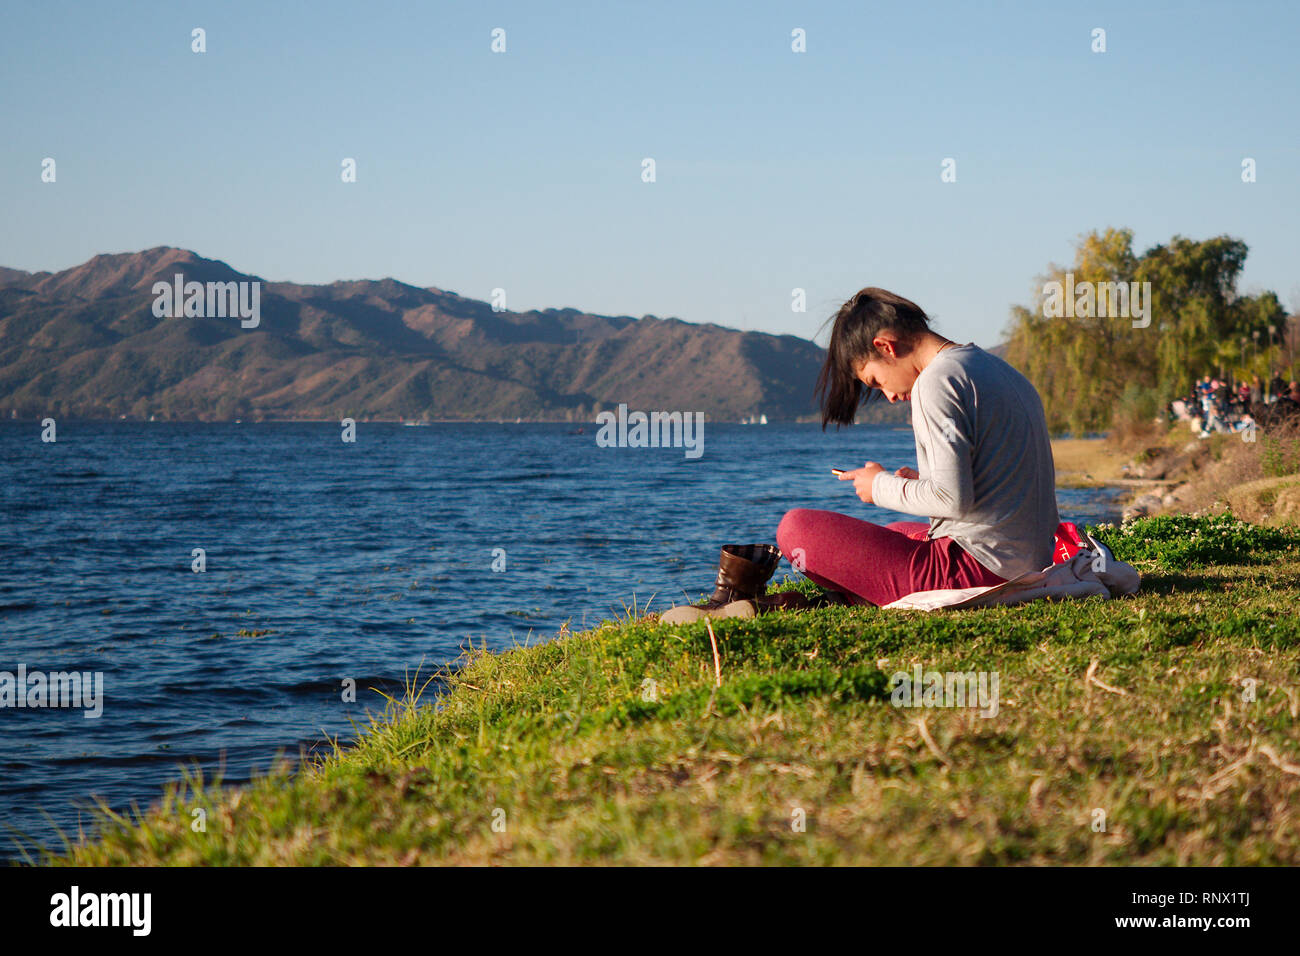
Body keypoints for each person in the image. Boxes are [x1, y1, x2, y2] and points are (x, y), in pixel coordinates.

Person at [776, 287, 1059, 607]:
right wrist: (917, 484)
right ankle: (862, 593)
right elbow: (993, 484)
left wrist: (879, 487)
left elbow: (951, 499)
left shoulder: (937, 382)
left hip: (975, 572)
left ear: (885, 346)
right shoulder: (997, 369)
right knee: (899, 530)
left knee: (795, 527)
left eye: (875, 381)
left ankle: (858, 596)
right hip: (1029, 561)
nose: (889, 396)